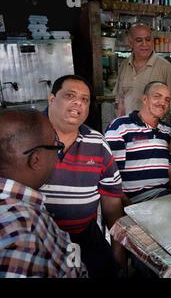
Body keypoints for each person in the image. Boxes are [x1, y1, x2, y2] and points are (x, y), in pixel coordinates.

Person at [40, 75, 126, 278]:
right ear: (51, 99)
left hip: (84, 236)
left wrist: (118, 248)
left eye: (85, 99)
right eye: (70, 95)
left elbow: (112, 202)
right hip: (37, 239)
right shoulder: (29, 135)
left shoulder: (98, 143)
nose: (78, 102)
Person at [0, 109, 87, 278]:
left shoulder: (26, 210)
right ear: (36, 160)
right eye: (56, 146)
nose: (57, 155)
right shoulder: (21, 233)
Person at [105, 81, 171, 204]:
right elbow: (110, 175)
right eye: (157, 96)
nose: (163, 102)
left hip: (163, 197)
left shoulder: (167, 130)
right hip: (134, 201)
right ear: (145, 99)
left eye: (167, 100)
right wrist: (128, 207)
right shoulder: (120, 126)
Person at [113, 23, 171, 116]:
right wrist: (120, 124)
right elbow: (120, 100)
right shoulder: (124, 65)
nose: (144, 44)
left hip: (156, 128)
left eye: (148, 39)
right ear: (130, 42)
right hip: (129, 127)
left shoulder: (165, 67)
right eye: (139, 40)